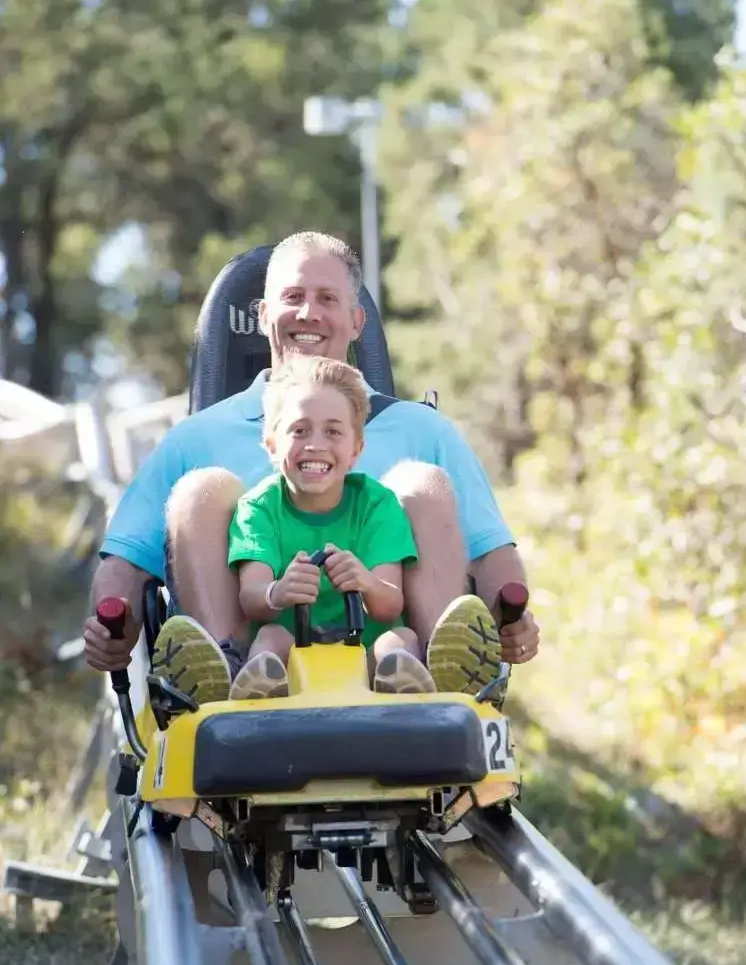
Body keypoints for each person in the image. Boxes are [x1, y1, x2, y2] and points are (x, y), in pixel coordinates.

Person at [83, 230, 540, 702]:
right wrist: (110, 627)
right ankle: (224, 671)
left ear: (357, 320)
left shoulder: (423, 432)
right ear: (262, 316)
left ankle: (441, 673)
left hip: (397, 667)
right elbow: (126, 562)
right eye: (293, 297)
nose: (309, 313)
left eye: (327, 299)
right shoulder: (197, 438)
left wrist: (513, 615)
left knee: (420, 483)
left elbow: (490, 553)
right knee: (204, 489)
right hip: (256, 668)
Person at [223, 354, 436, 701]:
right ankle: (259, 688)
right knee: (270, 638)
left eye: (333, 431)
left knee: (400, 640)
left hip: (364, 653)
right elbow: (252, 597)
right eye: (299, 430)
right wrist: (277, 592)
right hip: (294, 654)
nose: (316, 444)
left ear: (356, 450)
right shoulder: (258, 508)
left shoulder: (376, 504)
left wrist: (364, 581)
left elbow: (389, 605)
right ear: (272, 446)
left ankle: (401, 683)